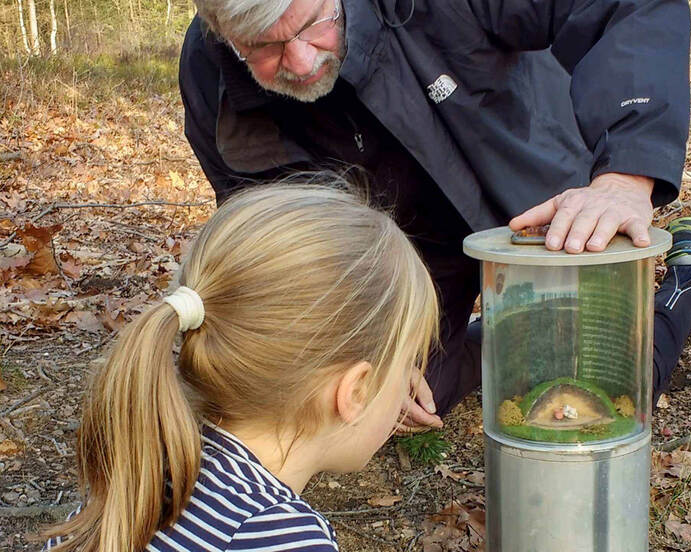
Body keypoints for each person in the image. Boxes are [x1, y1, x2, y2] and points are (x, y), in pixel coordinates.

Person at [177, 0, 691, 431]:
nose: (302, 62)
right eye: (267, 48)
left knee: (603, 387)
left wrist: (624, 176)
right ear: (222, 34)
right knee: (366, 410)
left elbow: (627, 7)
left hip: (530, 198)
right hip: (401, 250)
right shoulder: (210, 78)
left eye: (313, 25)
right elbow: (280, 238)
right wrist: (359, 343)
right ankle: (520, 340)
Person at [42, 184, 439, 551]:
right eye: (407, 363)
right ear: (356, 391)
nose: (409, 382)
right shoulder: (282, 537)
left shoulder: (142, 471)